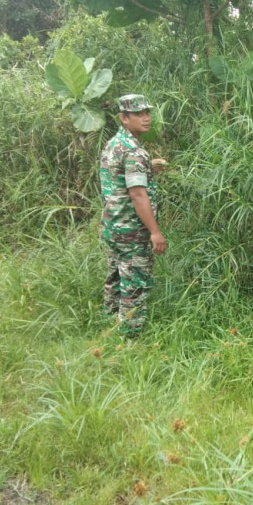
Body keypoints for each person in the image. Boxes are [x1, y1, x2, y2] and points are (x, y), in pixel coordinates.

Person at [100, 94, 167, 338]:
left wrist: (149, 169)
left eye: (147, 112)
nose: (146, 118)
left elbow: (120, 180)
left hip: (113, 225)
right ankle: (129, 336)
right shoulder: (134, 152)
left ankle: (109, 323)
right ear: (124, 118)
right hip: (132, 229)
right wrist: (155, 232)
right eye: (138, 114)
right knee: (135, 282)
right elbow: (138, 195)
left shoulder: (115, 144)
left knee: (116, 276)